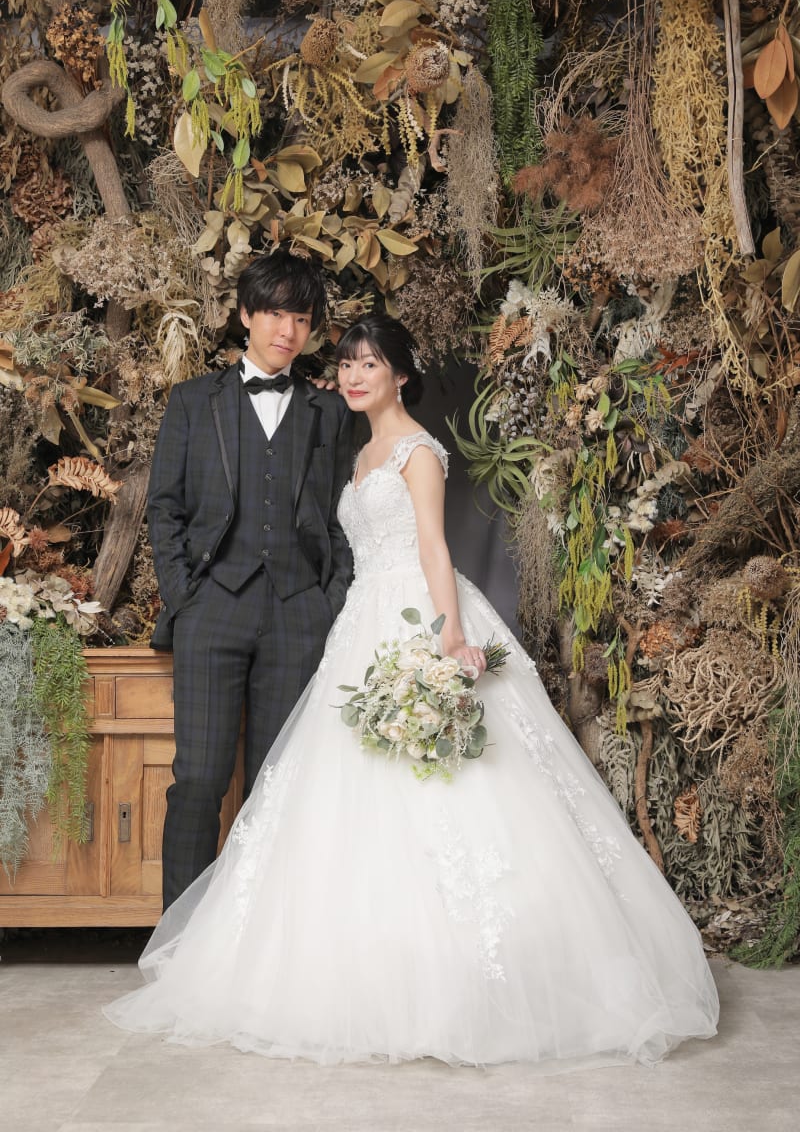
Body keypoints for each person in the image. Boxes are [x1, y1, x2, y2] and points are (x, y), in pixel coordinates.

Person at [105, 314, 718, 1068]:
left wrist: (449, 636)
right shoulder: (359, 450)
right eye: (347, 364)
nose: (354, 375)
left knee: (448, 789)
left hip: (414, 614)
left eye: (371, 364)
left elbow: (433, 545)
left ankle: (464, 974)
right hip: (357, 620)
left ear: (401, 374)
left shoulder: (419, 451)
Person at [146, 248, 353, 911]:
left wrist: (327, 603)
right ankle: (178, 939)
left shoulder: (330, 413)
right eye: (274, 314)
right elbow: (164, 508)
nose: (288, 330)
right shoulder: (192, 402)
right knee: (198, 780)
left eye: (302, 318)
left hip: (299, 613)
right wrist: (186, 597)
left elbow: (346, 515)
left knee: (279, 787)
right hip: (212, 609)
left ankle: (262, 942)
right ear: (245, 315)